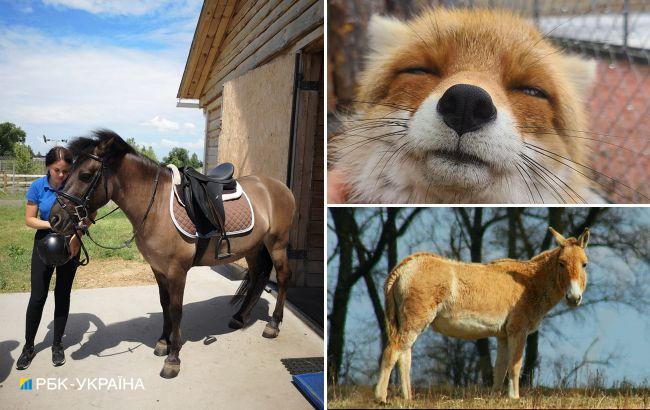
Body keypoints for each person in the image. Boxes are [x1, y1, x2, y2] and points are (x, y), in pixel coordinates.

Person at [16, 146, 81, 369]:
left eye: (65, 171)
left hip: (70, 245)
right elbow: (29, 219)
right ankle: (29, 347)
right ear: (48, 167)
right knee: (37, 297)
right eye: (57, 170)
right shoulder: (37, 186)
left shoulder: (74, 186)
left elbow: (90, 215)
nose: (62, 175)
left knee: (62, 294)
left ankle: (57, 345)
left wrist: (76, 236)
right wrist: (54, 225)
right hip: (44, 244)